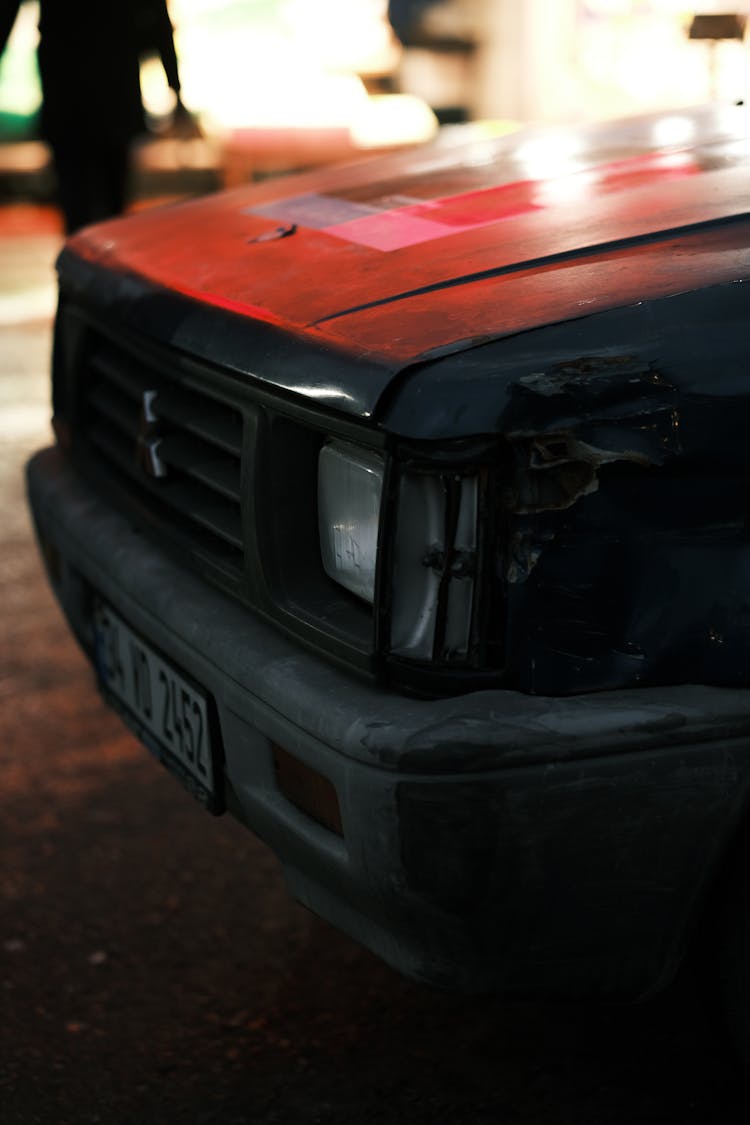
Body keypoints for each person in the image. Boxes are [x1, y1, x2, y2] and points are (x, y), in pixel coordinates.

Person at [0, 0, 185, 233]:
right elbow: (157, 18)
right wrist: (175, 86)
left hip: (67, 88)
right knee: (112, 199)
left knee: (75, 196)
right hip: (113, 86)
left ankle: (81, 258)